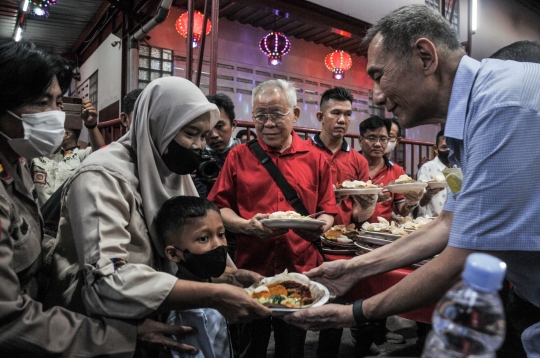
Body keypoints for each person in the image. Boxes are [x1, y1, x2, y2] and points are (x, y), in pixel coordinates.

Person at [285, 5, 540, 357]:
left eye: (379, 75)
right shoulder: (476, 111)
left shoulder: (503, 106)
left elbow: (464, 257)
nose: (375, 95)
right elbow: (448, 225)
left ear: (425, 56)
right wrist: (353, 269)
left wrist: (355, 313)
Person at [0, 37, 197, 357]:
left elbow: (29, 245)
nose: (56, 115)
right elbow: (9, 322)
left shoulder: (15, 164)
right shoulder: (99, 174)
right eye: (42, 103)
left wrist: (77, 256)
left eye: (58, 102)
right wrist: (122, 336)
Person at [46, 76, 271, 356]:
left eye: (204, 136)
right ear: (158, 125)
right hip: (101, 330)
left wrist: (227, 277)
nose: (200, 146)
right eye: (190, 133)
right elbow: (107, 280)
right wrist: (214, 295)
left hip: (158, 319)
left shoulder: (170, 173)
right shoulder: (101, 177)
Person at [207, 79, 337, 358]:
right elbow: (219, 209)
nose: (267, 123)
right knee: (249, 347)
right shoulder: (238, 156)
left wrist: (319, 228)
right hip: (251, 269)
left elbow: (327, 210)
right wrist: (246, 227)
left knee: (292, 347)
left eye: (276, 114)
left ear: (295, 114)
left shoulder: (316, 159)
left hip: (300, 270)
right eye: (260, 116)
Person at [305, 87, 376, 357]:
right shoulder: (303, 153)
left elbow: (359, 216)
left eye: (347, 114)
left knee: (336, 309)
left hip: (342, 245)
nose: (342, 120)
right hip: (309, 242)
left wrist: (368, 205)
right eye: (336, 113)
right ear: (320, 116)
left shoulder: (358, 160)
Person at [156, 196, 253, 358]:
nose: (218, 245)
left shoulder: (218, 292)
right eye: (203, 238)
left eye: (221, 234)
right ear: (173, 253)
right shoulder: (185, 314)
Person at [31, 99, 105, 207]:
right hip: (40, 220)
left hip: (66, 221)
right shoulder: (34, 158)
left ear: (65, 135)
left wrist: (91, 125)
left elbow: (100, 152)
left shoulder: (76, 156)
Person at [360, 116, 424, 223]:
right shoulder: (349, 165)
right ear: (360, 140)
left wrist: (411, 203)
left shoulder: (397, 172)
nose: (378, 144)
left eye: (383, 139)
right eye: (372, 138)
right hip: (349, 231)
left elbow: (402, 211)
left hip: (383, 233)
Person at [194, 93, 241, 199]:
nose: (214, 135)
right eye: (208, 129)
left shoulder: (249, 155)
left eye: (219, 126)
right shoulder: (198, 159)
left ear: (233, 125)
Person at [416, 130, 449, 217]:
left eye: (451, 147)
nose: (448, 150)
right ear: (436, 149)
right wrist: (429, 193)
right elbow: (420, 202)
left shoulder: (460, 168)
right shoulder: (427, 168)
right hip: (431, 223)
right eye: (444, 147)